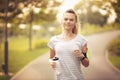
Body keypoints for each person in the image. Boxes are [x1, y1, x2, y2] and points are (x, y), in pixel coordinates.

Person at [47, 9, 89, 80]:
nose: (68, 22)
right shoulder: (53, 40)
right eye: (65, 19)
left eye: (71, 20)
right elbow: (51, 58)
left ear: (75, 22)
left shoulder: (81, 40)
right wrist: (51, 62)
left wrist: (82, 56)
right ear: (61, 21)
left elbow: (86, 64)